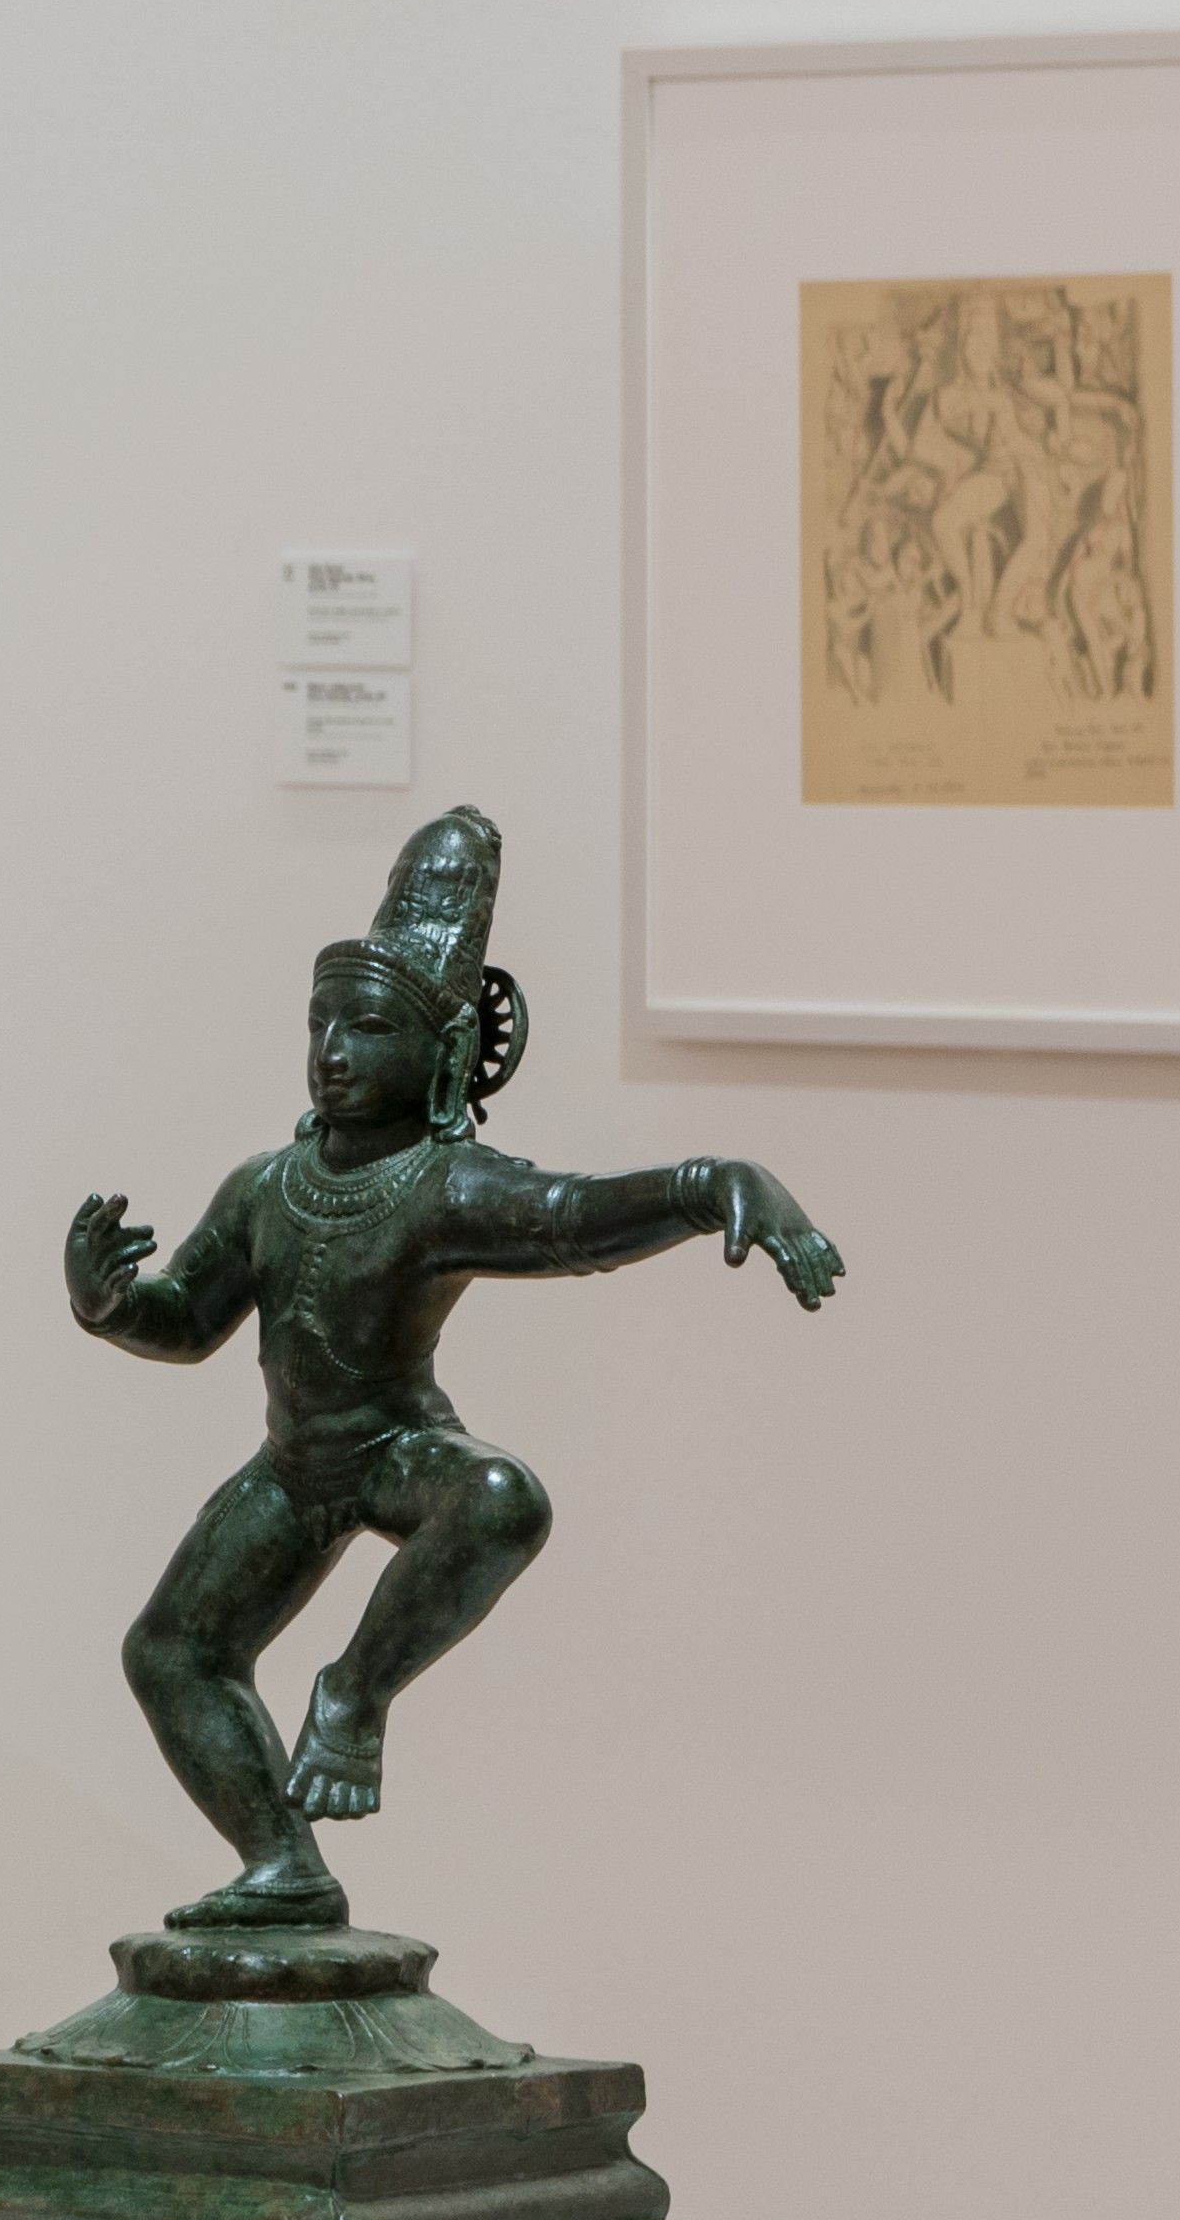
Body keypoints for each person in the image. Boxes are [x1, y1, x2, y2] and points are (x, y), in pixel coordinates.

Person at [61, 806, 839, 1930]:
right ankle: (282, 1863)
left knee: (500, 1499)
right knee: (169, 1652)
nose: (332, 1052)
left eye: (368, 1027)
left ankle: (354, 1693)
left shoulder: (441, 1186)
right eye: (320, 1024)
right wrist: (110, 1305)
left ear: (445, 1052)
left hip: (394, 1451)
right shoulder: (264, 1187)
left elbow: (571, 1217)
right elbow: (187, 1320)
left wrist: (713, 1182)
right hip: (291, 1470)